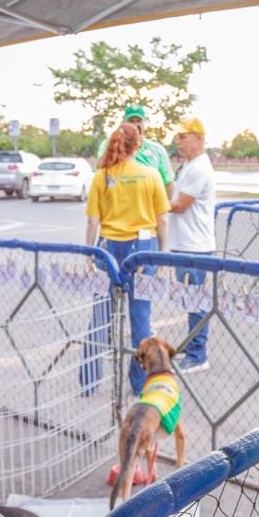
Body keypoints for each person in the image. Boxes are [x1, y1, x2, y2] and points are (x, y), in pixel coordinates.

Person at [81, 122, 170, 395]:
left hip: (107, 248)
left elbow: (93, 220)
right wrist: (163, 255)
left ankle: (89, 382)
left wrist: (89, 252)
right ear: (139, 145)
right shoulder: (150, 175)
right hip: (142, 248)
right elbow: (162, 219)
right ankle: (140, 383)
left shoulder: (102, 176)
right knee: (140, 318)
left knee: (99, 316)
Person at [167, 117, 217, 372]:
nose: (179, 141)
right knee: (190, 299)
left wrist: (150, 203)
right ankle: (191, 344)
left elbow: (180, 204)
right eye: (178, 137)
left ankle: (198, 354)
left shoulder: (199, 168)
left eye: (183, 136)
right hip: (186, 243)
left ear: (198, 138)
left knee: (196, 300)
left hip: (194, 246)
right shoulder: (188, 165)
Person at [122, 105, 175, 199]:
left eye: (139, 121)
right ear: (123, 123)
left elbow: (168, 182)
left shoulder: (157, 149)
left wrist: (165, 209)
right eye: (131, 121)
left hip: (150, 209)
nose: (136, 125)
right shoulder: (110, 146)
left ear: (144, 123)